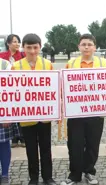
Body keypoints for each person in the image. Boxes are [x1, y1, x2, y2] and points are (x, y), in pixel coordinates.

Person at [60, 34, 106, 185]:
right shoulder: (71, 63)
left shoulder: (103, 63)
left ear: (95, 47)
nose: (86, 47)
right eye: (83, 44)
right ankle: (74, 175)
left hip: (96, 112)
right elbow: (64, 86)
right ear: (79, 47)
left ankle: (89, 171)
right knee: (75, 144)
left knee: (93, 144)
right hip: (75, 113)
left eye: (89, 44)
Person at [11, 33, 56, 185]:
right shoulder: (16, 66)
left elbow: (54, 88)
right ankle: (34, 178)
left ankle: (48, 177)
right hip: (26, 116)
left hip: (44, 115)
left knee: (46, 147)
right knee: (31, 149)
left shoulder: (47, 65)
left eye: (35, 47)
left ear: (40, 47)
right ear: (23, 48)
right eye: (28, 47)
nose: (32, 51)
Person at [0, 34, 25, 148]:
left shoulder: (23, 55)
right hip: (7, 89)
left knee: (21, 113)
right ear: (8, 43)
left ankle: (23, 137)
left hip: (21, 88)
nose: (17, 44)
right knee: (12, 112)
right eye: (14, 41)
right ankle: (14, 138)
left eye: (18, 42)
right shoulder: (2, 56)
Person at [0, 59, 20, 185]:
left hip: (1, 110)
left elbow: (11, 88)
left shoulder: (4, 64)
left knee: (3, 143)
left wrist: (7, 113)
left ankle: (5, 175)